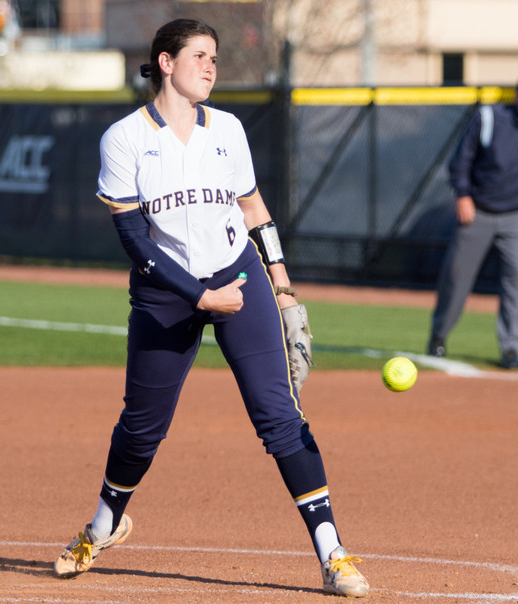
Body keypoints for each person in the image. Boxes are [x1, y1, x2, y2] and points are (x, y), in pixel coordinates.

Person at [53, 18, 369, 598]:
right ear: (165, 63)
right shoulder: (125, 138)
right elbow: (135, 242)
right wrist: (199, 297)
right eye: (199, 56)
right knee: (143, 429)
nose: (211, 67)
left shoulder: (227, 128)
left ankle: (332, 553)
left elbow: (253, 208)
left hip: (238, 277)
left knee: (279, 416)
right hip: (165, 294)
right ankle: (102, 526)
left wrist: (283, 284)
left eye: (215, 58)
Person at [428, 74, 518, 370]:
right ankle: (439, 335)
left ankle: (510, 348)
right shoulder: (490, 118)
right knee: (456, 276)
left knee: (516, 278)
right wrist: (463, 195)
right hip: (478, 209)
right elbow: (461, 160)